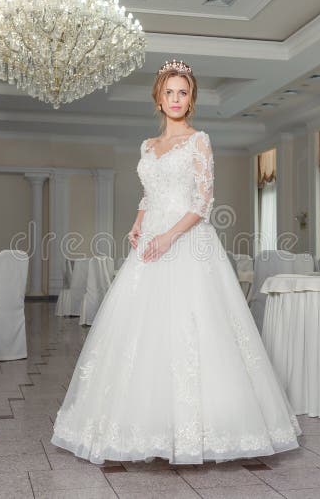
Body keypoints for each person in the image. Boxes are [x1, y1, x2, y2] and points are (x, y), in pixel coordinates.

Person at [50, 59, 300, 465]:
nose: (176, 99)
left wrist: (169, 235)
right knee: (141, 332)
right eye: (170, 92)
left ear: (192, 98)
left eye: (183, 92)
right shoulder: (148, 146)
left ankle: (201, 430)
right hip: (150, 244)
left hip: (186, 241)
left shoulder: (199, 141)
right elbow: (150, 195)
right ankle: (141, 426)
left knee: (195, 328)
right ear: (158, 98)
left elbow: (202, 202)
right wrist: (137, 225)